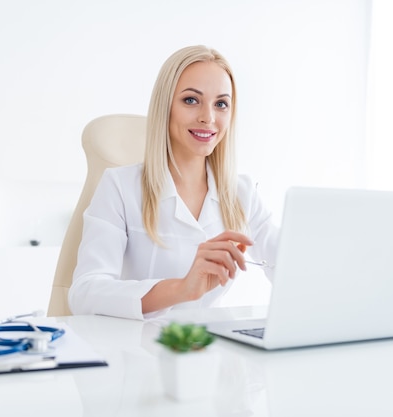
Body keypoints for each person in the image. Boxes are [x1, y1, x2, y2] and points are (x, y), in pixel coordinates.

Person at [69, 45, 279, 320]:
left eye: (221, 104)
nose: (208, 117)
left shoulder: (242, 192)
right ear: (165, 106)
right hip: (134, 352)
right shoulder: (120, 186)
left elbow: (291, 268)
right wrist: (181, 289)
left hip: (208, 350)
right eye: (191, 100)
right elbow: (84, 293)